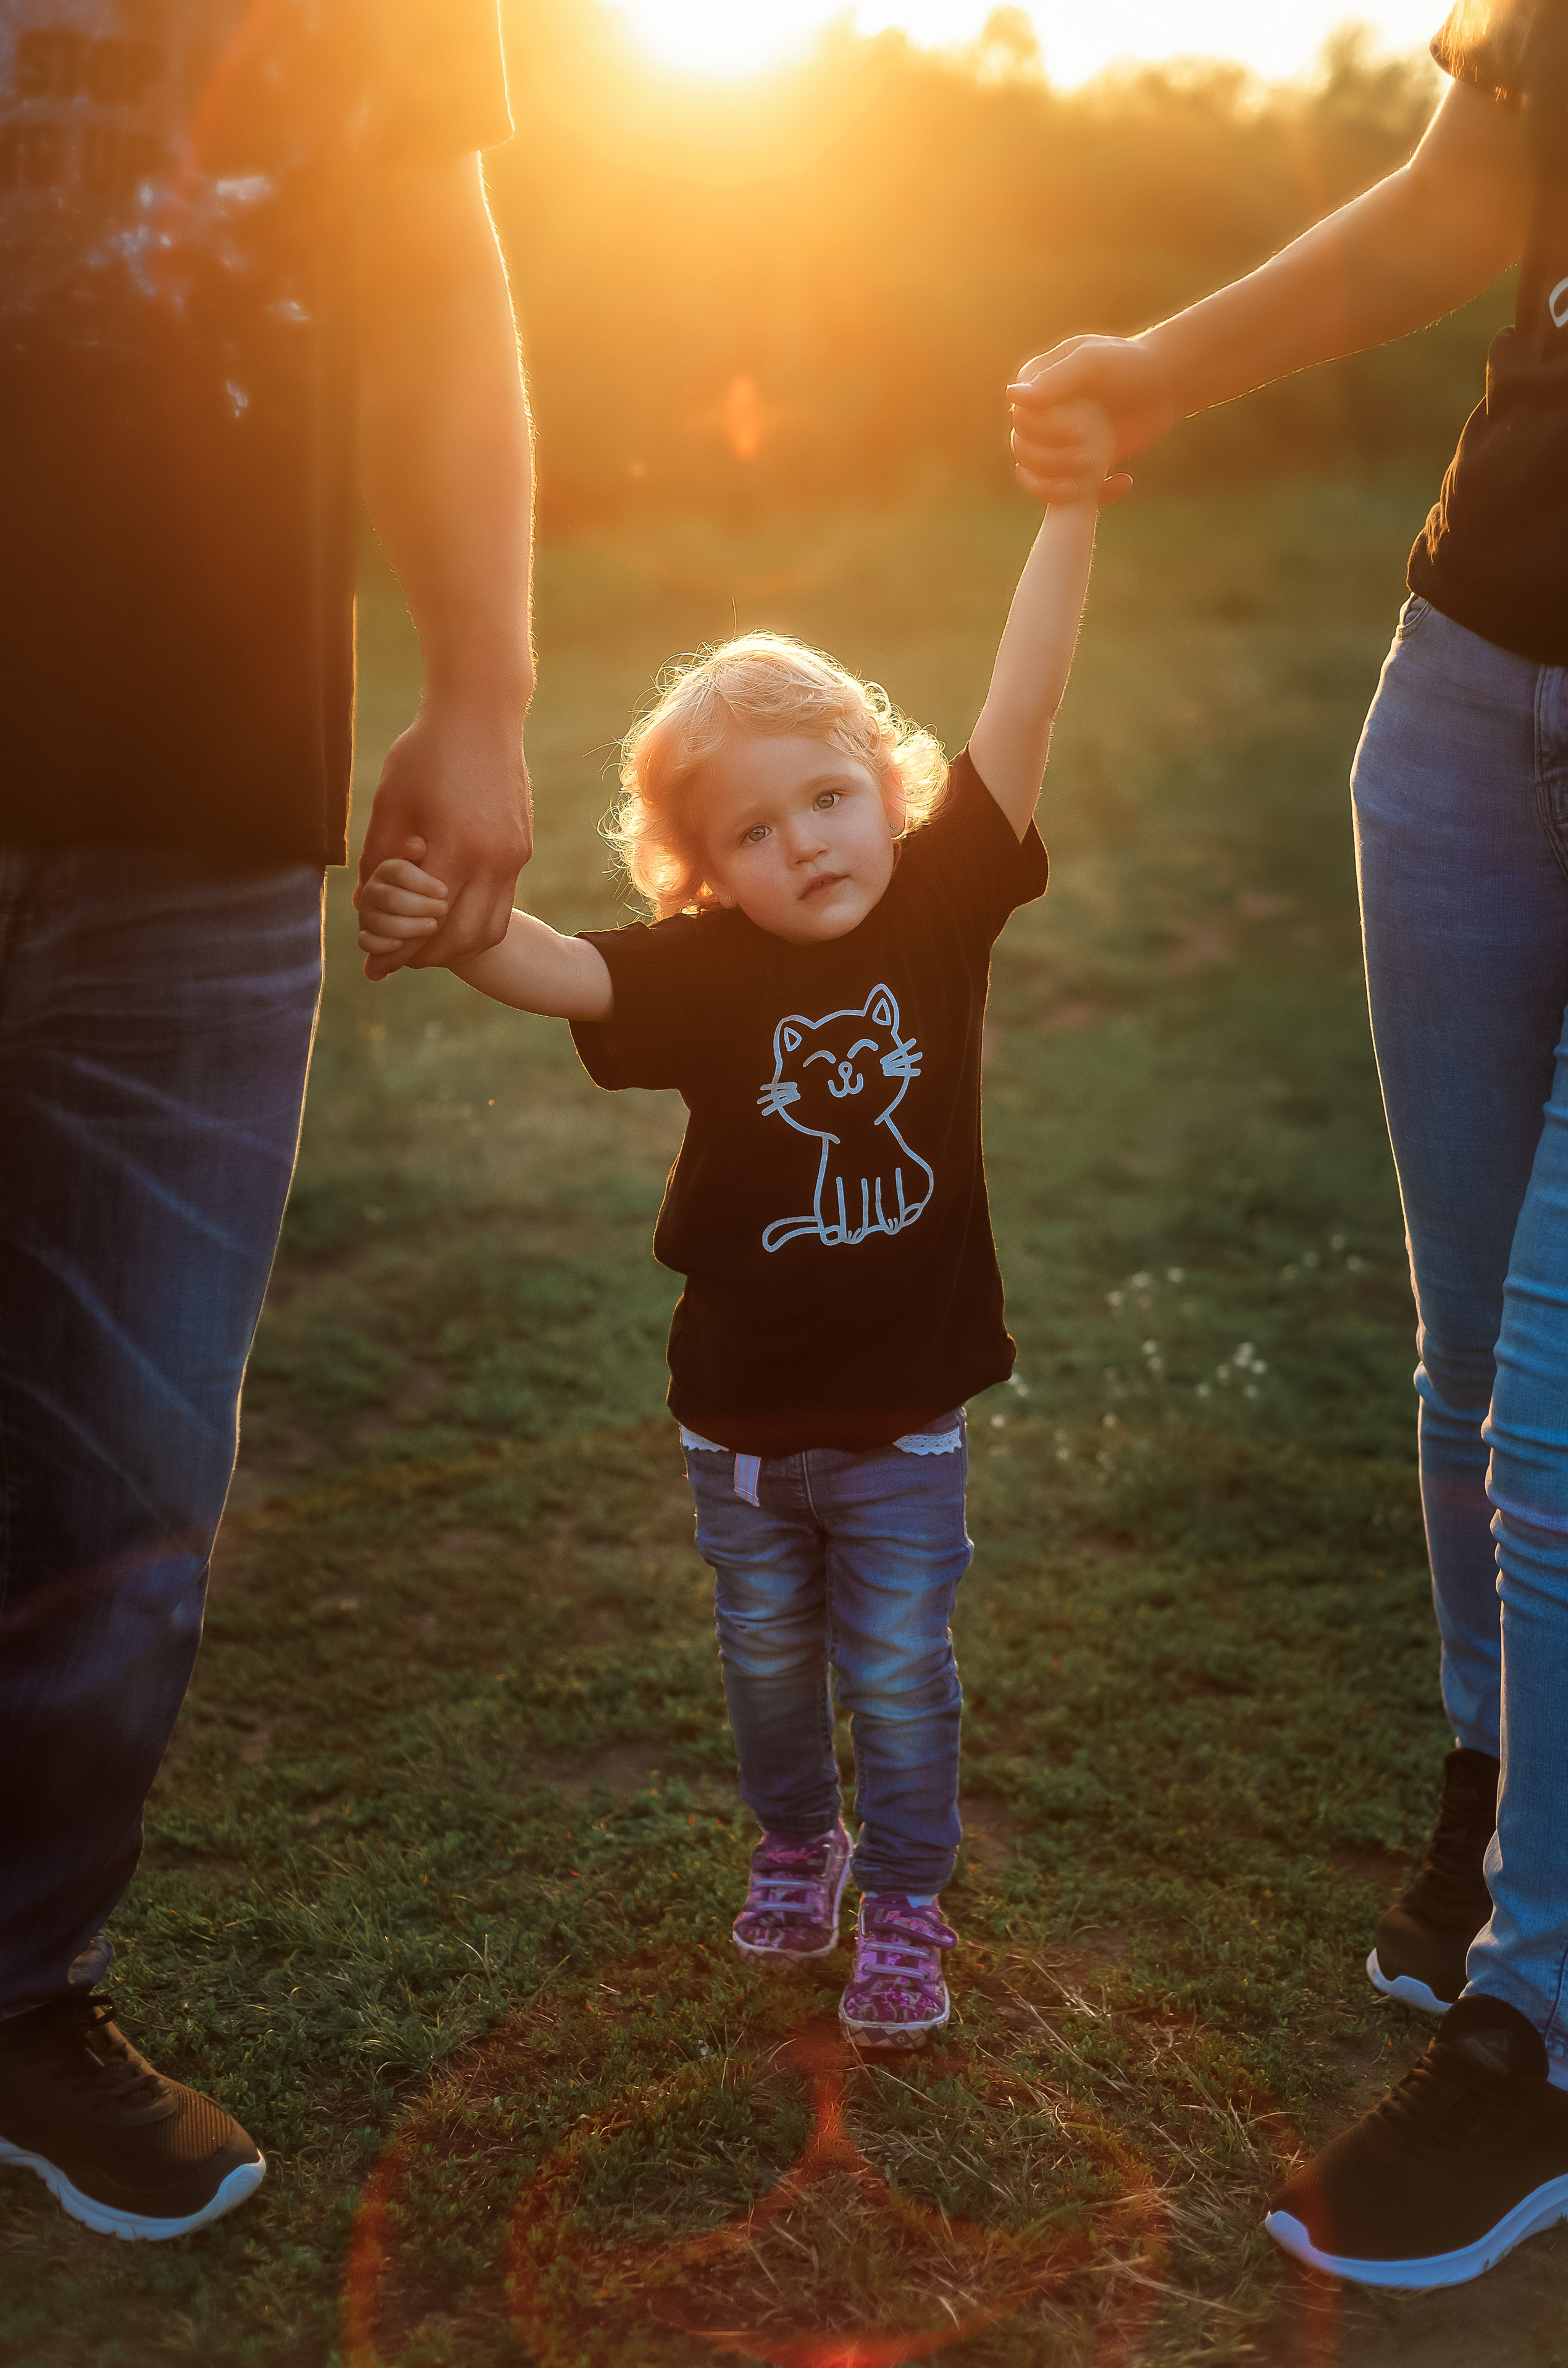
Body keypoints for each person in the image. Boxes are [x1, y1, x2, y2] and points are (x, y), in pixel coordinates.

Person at [1010, 0, 1568, 2294]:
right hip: (1464, 693)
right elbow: (1474, 188)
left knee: (1553, 1393)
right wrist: (1152, 364)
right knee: (1460, 1359)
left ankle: (1540, 2030)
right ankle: (1492, 1785)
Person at [357, 401, 1116, 2049]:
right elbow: (565, 966)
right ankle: (799, 1841)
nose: (804, 846)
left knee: (902, 1672)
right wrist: (445, 924)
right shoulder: (710, 974)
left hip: (907, 1414)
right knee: (772, 1667)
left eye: (829, 799)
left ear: (885, 788)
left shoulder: (938, 895)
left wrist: (1072, 513)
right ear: (706, 872)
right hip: (744, 1418)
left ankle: (907, 1903)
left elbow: (1028, 698)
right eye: (752, 835)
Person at [0, 1, 533, 2242]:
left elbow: (433, 270)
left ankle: (22, 1994)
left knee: (127, 1475)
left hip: (201, 811)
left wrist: (483, 687)